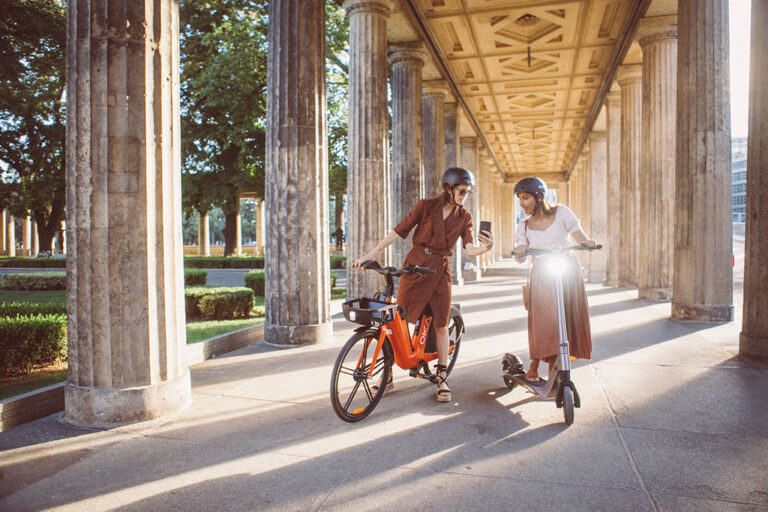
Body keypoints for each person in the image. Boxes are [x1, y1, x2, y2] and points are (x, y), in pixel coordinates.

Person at [353, 167, 494, 402]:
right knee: (399, 318)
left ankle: (441, 377)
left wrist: (486, 248)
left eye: (468, 192)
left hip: (440, 270)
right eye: (461, 190)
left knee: (440, 324)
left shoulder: (465, 217)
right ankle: (387, 376)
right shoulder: (425, 206)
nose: (464, 195)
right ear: (448, 188)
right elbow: (399, 231)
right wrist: (372, 253)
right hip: (415, 266)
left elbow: (469, 249)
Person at [512, 177, 596, 383]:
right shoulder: (523, 226)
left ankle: (554, 369)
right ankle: (534, 364)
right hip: (542, 273)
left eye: (526, 198)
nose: (522, 203)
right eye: (520, 199)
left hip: (566, 269)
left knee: (565, 318)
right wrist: (520, 252)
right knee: (545, 321)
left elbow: (579, 235)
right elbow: (519, 251)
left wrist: (588, 242)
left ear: (539, 197)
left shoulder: (562, 212)